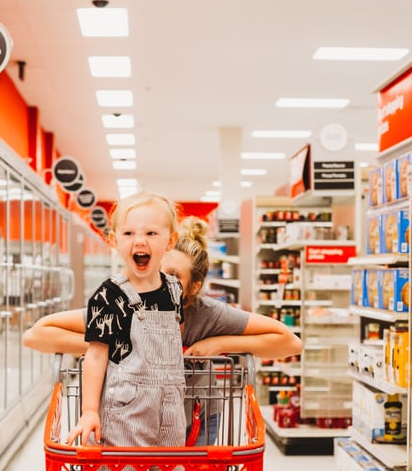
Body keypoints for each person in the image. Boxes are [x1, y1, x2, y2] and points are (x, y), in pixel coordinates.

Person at [25, 215, 303, 445]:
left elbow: (289, 342)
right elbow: (36, 334)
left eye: (175, 276)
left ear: (194, 288)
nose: (163, 280)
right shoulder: (124, 303)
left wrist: (219, 344)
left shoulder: (206, 315)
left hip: (197, 419)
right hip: (134, 422)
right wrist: (104, 345)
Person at [66, 192, 187, 448]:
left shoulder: (175, 289)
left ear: (170, 241)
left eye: (151, 233)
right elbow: (96, 356)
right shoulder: (108, 295)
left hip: (171, 410)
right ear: (114, 240)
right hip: (126, 412)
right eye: (129, 233)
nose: (139, 241)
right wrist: (90, 411)